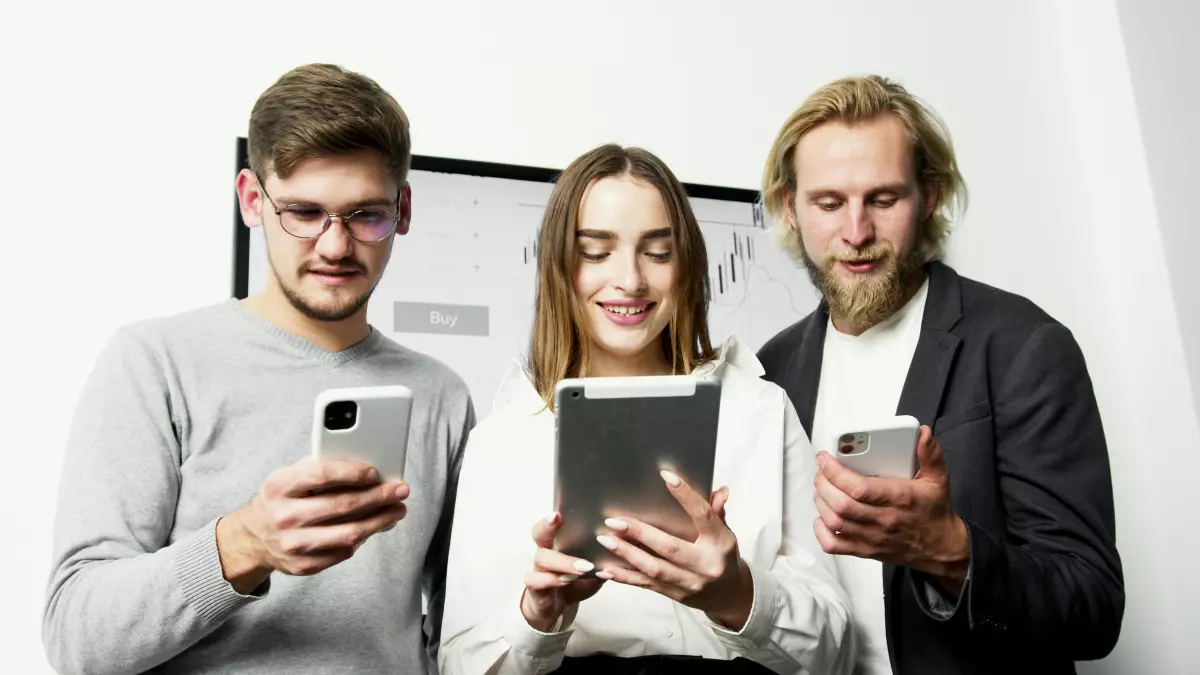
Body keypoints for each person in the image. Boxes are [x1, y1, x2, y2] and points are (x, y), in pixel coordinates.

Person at [41, 63, 474, 675]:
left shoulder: (442, 395)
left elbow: (454, 634)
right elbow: (77, 641)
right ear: (252, 199)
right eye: (302, 212)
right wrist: (244, 543)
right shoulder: (155, 362)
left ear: (402, 209)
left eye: (366, 215)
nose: (334, 245)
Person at [755, 74, 1125, 674]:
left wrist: (948, 551)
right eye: (828, 203)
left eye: (883, 198)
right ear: (790, 208)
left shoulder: (1023, 346)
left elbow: (1094, 606)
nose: (856, 233)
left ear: (927, 197)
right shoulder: (770, 371)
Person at [438, 143, 855, 675]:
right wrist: (538, 618)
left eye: (657, 253)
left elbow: (835, 653)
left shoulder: (761, 409)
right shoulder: (504, 437)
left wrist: (736, 594)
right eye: (596, 252)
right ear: (559, 264)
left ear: (686, 265)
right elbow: (458, 664)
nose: (630, 280)